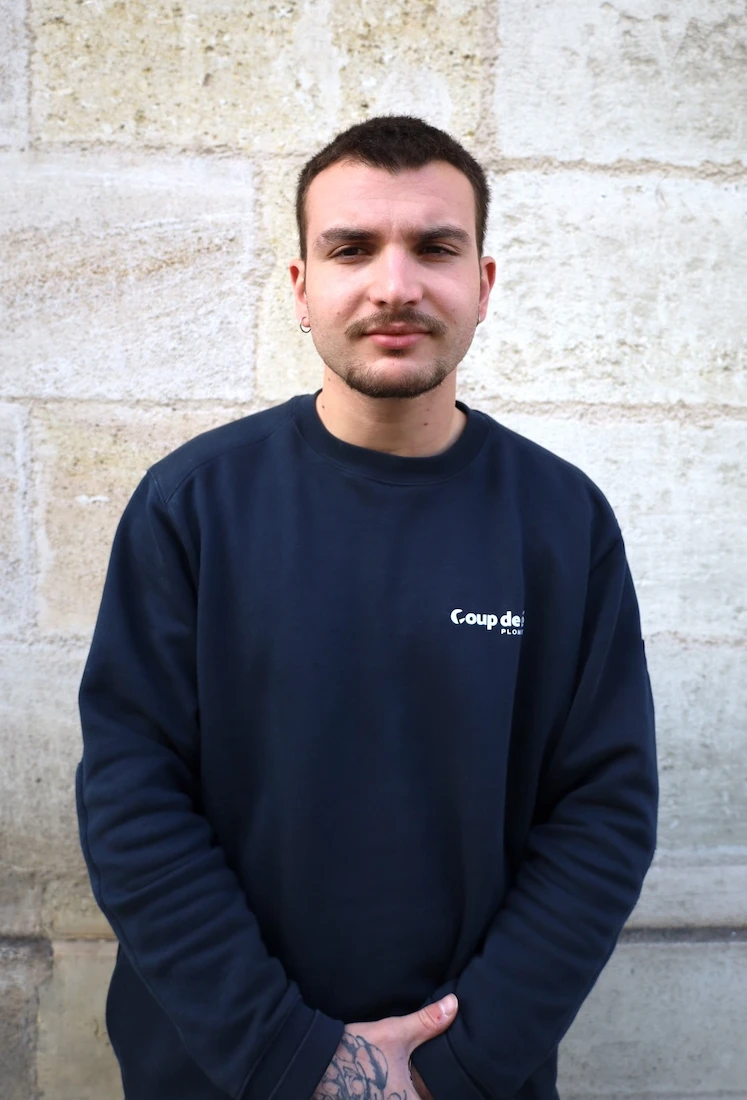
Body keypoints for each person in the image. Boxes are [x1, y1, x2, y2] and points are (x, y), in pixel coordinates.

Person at [76, 116, 658, 1100]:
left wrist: (452, 1064)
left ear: (483, 284)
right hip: (220, 1070)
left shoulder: (560, 520)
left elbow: (602, 812)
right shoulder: (193, 504)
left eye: (436, 246)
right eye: (352, 248)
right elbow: (132, 801)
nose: (396, 284)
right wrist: (297, 1058)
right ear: (301, 288)